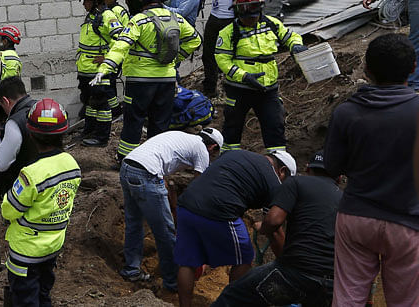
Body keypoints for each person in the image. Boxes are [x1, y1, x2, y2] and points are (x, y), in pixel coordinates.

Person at [323, 33, 419, 305]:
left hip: (356, 218)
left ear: (367, 70)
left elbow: (331, 167)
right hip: (408, 223)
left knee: (348, 298)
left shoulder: (346, 112)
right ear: (413, 68)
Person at [211, 150, 342, 307]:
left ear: (307, 169)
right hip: (332, 283)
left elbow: (273, 221)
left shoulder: (296, 183)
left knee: (233, 295)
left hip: (295, 275)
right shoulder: (345, 199)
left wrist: (262, 228)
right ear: (339, 177)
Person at [94, 0, 201, 161]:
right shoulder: (176, 18)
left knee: (134, 121)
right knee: (160, 122)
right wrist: (176, 59)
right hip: (166, 80)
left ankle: (127, 160)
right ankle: (156, 160)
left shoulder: (139, 20)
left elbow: (121, 45)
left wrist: (105, 67)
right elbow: (195, 40)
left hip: (140, 81)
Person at [174, 149, 296, 307]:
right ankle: (231, 303)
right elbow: (275, 229)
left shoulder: (235, 154)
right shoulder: (273, 182)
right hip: (219, 211)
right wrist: (288, 264)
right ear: (282, 171)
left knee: (187, 262)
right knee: (244, 258)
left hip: (186, 205)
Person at [119, 128, 224, 292]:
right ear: (213, 147)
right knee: (166, 233)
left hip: (127, 167)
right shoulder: (202, 150)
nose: (210, 158)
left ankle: (131, 270)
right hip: (147, 174)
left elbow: (163, 163)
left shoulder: (182, 137)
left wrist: (170, 198)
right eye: (213, 154)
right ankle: (173, 282)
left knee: (134, 223)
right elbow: (199, 189)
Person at [2, 99, 80, 307]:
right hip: (53, 245)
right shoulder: (72, 165)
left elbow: (9, 210)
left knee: (25, 299)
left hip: (26, 253)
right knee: (44, 294)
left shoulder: (31, 174)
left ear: (31, 134)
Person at [214, 0, 306, 153]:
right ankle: (228, 161)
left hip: (268, 89)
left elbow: (289, 36)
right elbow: (222, 60)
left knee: (275, 125)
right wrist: (244, 76)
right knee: (232, 128)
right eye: (245, 15)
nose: (250, 19)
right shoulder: (228, 32)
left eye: (253, 15)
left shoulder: (271, 24)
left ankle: (277, 162)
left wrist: (296, 45)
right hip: (239, 89)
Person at [202, 0, 268, 97]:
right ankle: (210, 90)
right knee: (208, 54)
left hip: (231, 18)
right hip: (215, 17)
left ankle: (233, 88)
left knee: (231, 54)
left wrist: (258, 6)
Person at [76, 0, 125, 147]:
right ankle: (89, 130)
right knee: (90, 102)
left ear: (96, 1)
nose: (84, 4)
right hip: (86, 69)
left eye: (86, 0)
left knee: (101, 105)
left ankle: (102, 137)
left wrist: (106, 57)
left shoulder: (107, 16)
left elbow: (122, 40)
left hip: (98, 70)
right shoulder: (92, 15)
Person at [0, 77, 37, 198]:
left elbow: (1, 163)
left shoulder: (15, 123)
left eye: (1, 105)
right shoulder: (40, 108)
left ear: (6, 100)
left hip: (23, 187)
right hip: (47, 179)